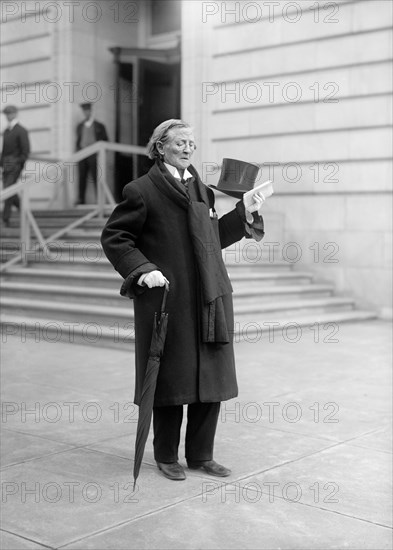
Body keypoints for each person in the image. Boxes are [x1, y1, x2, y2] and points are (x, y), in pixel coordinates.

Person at [101, 119, 265, 481]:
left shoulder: (202, 190)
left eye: (192, 142)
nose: (189, 148)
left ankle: (201, 455)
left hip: (210, 296)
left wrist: (245, 211)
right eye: (180, 143)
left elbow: (215, 238)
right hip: (167, 300)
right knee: (170, 379)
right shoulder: (141, 190)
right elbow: (115, 237)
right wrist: (143, 269)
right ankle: (166, 456)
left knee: (212, 378)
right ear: (161, 147)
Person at [0, 105, 30, 226]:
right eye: (6, 114)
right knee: (11, 191)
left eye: (10, 113)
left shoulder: (21, 130)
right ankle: (25, 211)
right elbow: (4, 150)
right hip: (6, 166)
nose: (8, 116)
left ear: (15, 114)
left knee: (8, 189)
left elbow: (25, 151)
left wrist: (19, 163)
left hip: (15, 165)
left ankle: (5, 218)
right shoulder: (6, 131)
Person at [75, 102, 108, 205]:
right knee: (82, 177)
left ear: (91, 111)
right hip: (82, 155)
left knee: (96, 177)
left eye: (88, 110)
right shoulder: (80, 126)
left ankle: (99, 200)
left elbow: (105, 141)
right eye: (84, 111)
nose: (86, 113)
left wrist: (99, 153)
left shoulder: (99, 126)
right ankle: (81, 199)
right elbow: (78, 141)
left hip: (94, 154)